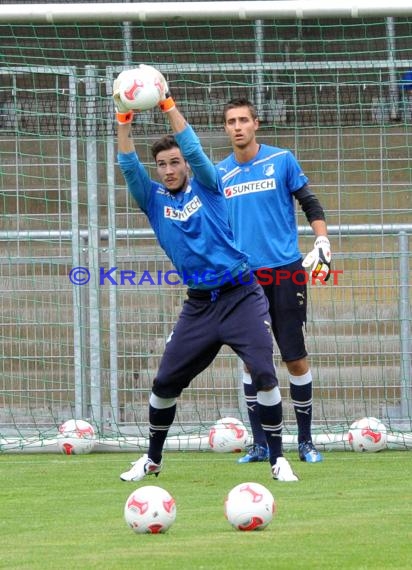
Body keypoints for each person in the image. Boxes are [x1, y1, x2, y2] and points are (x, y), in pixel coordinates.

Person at [114, 67, 299, 483]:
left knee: (265, 372)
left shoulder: (209, 186)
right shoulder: (153, 199)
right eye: (161, 165)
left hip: (241, 295)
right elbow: (128, 165)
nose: (169, 169)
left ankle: (277, 458)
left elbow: (195, 149)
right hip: (198, 307)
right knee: (163, 384)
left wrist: (167, 105)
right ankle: (152, 459)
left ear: (186, 164)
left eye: (175, 162)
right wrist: (123, 120)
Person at [217, 97, 331, 464]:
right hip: (244, 279)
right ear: (226, 128)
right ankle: (261, 443)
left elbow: (310, 203)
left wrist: (323, 240)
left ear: (256, 124)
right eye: (231, 121)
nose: (237, 126)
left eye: (243, 120)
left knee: (295, 360)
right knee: (253, 363)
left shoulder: (281, 160)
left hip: (285, 271)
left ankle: (306, 441)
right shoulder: (220, 175)